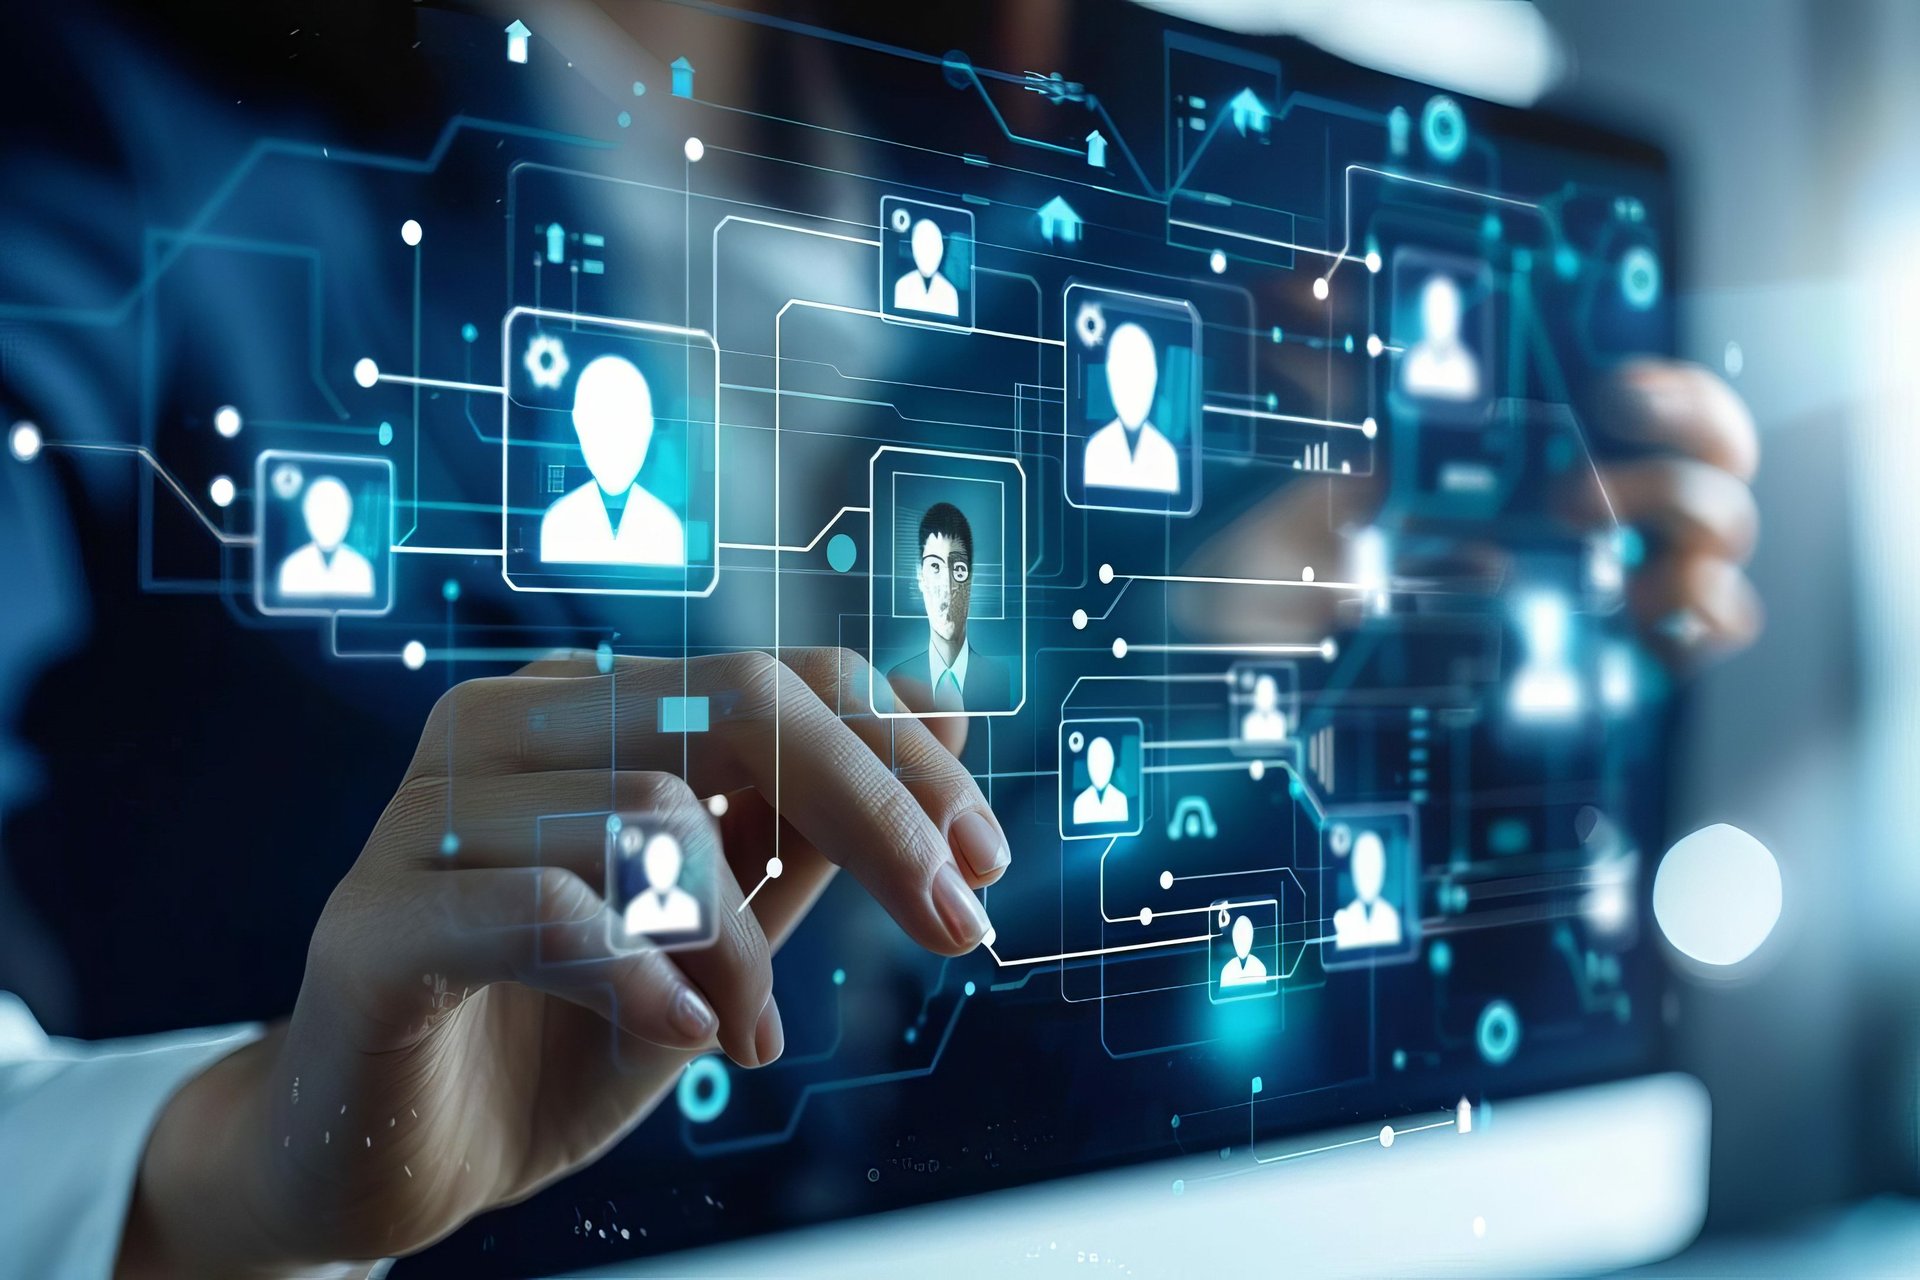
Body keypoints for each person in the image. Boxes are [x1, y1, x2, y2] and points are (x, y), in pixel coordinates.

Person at [0, 4, 1767, 1277]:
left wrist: (1477, 712)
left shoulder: (1083, 180)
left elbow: (984, 999)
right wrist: (221, 1172)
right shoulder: (112, 130)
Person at [539, 354, 687, 567]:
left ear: (649, 426)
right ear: (578, 424)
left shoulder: (667, 528)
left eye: (627, 425)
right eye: (601, 425)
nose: (614, 443)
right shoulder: (558, 522)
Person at [886, 502, 1012, 713]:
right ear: (920, 576)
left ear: (971, 578)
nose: (948, 586)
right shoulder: (896, 683)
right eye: (935, 566)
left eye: (959, 569)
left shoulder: (1000, 680)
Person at [1082, 322, 1181, 494]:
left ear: (1154, 377)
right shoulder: (1096, 450)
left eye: (1140, 373)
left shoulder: (1166, 455)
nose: (1133, 387)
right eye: (1124, 374)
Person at [276, 477, 374, 599]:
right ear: (307, 517)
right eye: (320, 513)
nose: (328, 522)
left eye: (336, 513)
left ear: (348, 519)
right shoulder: (291, 569)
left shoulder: (361, 569)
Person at [1402, 274, 1481, 401]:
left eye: (1445, 311)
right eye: (1435, 310)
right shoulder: (1414, 363)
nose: (1440, 319)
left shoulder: (1466, 367)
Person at [620, 830, 704, 939]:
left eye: (668, 863)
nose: (663, 871)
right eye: (656, 864)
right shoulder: (634, 910)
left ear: (678, 866)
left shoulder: (690, 907)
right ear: (646, 868)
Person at [1333, 831, 1404, 950]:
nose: (1368, 876)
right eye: (1363, 867)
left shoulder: (1391, 917)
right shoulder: (1345, 920)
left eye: (1373, 866)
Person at [892, 217, 960, 318]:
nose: (928, 253)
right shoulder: (902, 286)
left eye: (934, 245)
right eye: (922, 245)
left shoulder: (949, 293)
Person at [1071, 735, 1130, 827]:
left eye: (1104, 761)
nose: (1099, 768)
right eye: (1095, 761)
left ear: (1112, 762)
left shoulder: (1120, 800)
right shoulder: (1080, 803)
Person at [1219, 914, 1269, 988]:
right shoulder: (1227, 970)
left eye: (1246, 935)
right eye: (1238, 935)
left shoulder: (1259, 968)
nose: (1242, 940)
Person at [1240, 674, 1289, 743]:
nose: (1265, 698)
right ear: (1255, 697)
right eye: (1262, 693)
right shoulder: (1248, 721)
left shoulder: (1280, 720)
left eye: (1268, 693)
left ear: (1275, 696)